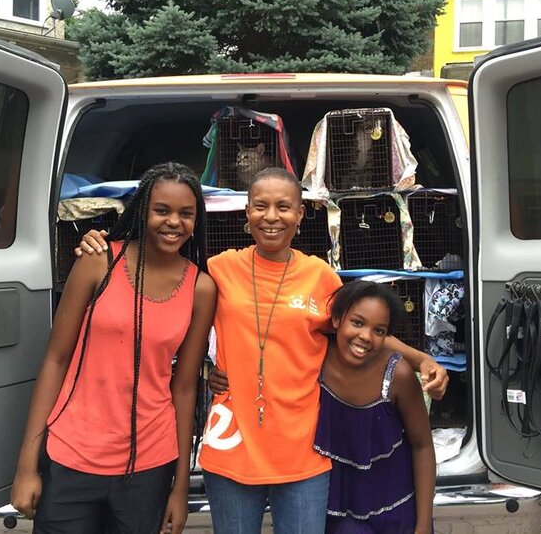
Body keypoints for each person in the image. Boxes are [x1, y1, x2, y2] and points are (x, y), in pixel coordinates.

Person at [77, 167, 448, 534]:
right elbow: (163, 274)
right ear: (247, 212)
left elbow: (363, 331)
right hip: (232, 449)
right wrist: (101, 245)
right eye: (261, 206)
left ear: (300, 214)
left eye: (284, 207)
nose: (272, 217)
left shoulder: (321, 278)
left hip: (304, 451)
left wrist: (422, 359)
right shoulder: (219, 270)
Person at [11, 162, 217, 534]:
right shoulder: (98, 260)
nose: (174, 222)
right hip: (72, 453)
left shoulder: (200, 289)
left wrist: (180, 488)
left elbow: (185, 388)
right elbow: (56, 360)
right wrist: (27, 465)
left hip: (149, 464)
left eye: (186, 214)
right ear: (142, 210)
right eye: (162, 210)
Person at [316, 280, 435, 533]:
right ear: (336, 319)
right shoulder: (315, 360)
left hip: (395, 511)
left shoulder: (398, 376)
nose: (365, 336)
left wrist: (423, 525)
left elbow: (422, 445)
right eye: (357, 323)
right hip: (336, 511)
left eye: (379, 330)